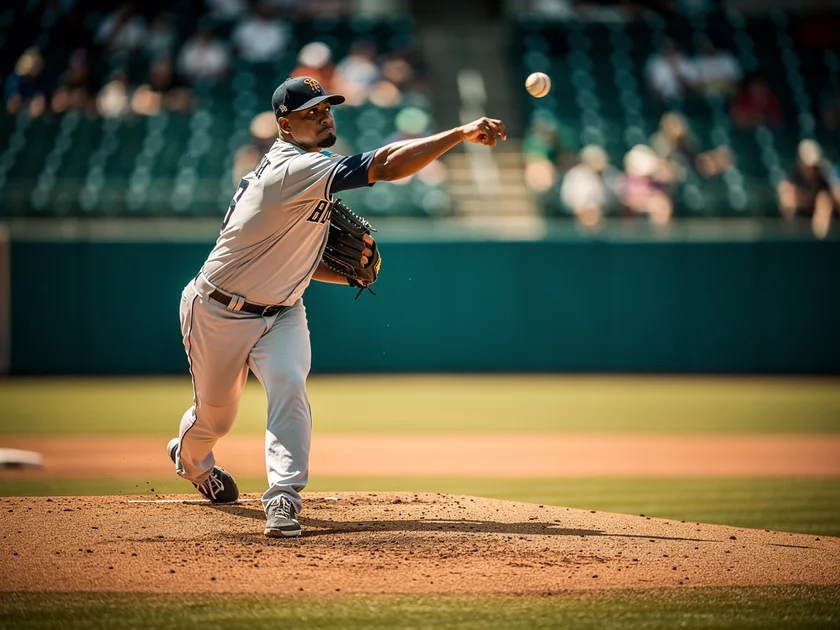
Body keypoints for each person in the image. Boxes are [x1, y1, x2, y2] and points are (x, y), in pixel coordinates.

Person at [166, 76, 506, 537]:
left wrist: (343, 273)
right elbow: (383, 164)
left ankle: (283, 498)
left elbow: (297, 260)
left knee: (289, 385)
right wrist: (459, 134)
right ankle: (192, 463)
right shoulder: (291, 170)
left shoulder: (310, 167)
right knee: (215, 417)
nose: (325, 115)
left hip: (283, 310)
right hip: (217, 310)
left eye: (327, 108)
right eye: (312, 112)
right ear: (284, 125)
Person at [778, 139, 840, 240]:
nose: (811, 169)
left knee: (823, 200)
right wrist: (808, 199)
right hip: (798, 218)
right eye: (808, 166)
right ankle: (791, 239)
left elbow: (834, 195)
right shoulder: (792, 174)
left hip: (821, 218)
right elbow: (786, 201)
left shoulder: (823, 173)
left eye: (814, 166)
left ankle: (820, 240)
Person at [560, 145, 620, 227]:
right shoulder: (574, 176)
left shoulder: (611, 175)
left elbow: (615, 200)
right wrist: (584, 210)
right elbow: (568, 200)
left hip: (605, 220)